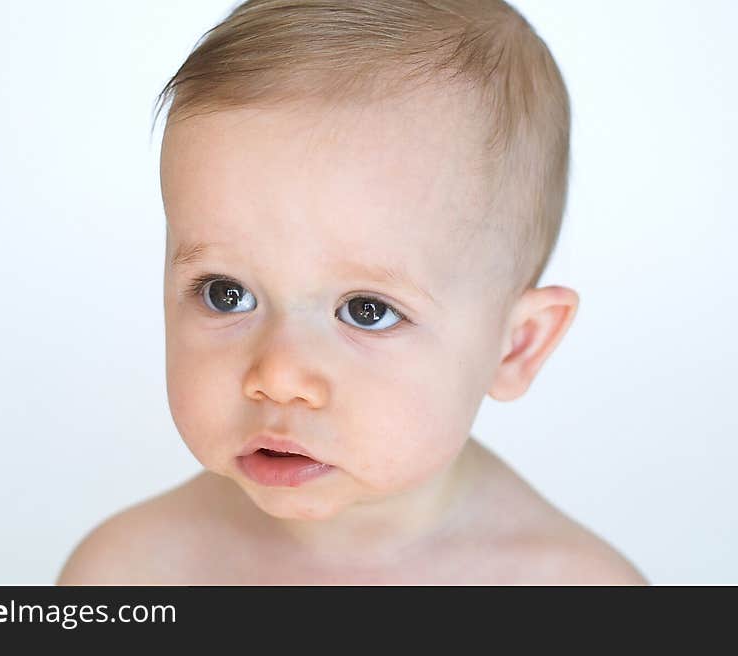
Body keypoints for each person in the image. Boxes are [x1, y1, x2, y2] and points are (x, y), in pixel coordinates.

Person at [57, 0, 648, 584]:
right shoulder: (129, 573)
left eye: (367, 311)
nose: (279, 375)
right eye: (225, 293)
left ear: (516, 345)